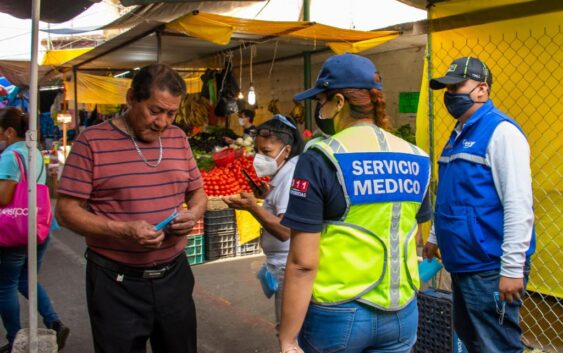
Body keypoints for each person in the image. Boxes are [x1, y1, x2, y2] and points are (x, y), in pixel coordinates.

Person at [278, 53, 432, 353]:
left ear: (338, 102)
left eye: (320, 101)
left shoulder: (321, 158)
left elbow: (302, 263)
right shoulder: (416, 157)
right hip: (403, 311)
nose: (319, 110)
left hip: (339, 312)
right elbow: (414, 236)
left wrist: (288, 337)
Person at [55, 64, 207, 353]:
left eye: (171, 113)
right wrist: (121, 230)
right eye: (154, 110)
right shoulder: (91, 143)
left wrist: (192, 215)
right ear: (131, 98)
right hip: (115, 284)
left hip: (174, 276)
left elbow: (198, 192)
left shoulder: (178, 139)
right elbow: (66, 211)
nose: (162, 122)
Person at [423, 56, 535, 353]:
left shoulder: (502, 133)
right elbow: (450, 193)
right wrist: (435, 237)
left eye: (457, 86)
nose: (450, 94)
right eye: (446, 88)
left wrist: (511, 268)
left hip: (489, 266)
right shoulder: (458, 135)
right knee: (473, 341)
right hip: (463, 262)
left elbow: (518, 204)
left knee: (496, 345)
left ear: (482, 90)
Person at [222, 114, 304, 329]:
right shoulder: (285, 171)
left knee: (288, 330)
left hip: (289, 266)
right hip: (283, 264)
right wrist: (266, 195)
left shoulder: (290, 176)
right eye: (257, 151)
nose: (260, 157)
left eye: (266, 152)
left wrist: (253, 207)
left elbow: (286, 230)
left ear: (287, 150)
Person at [0, 107, 69, 352]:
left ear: (9, 131)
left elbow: (4, 196)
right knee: (27, 279)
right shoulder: (35, 152)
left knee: (5, 285)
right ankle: (54, 321)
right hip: (41, 225)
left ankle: (13, 338)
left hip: (17, 228)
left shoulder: (10, 155)